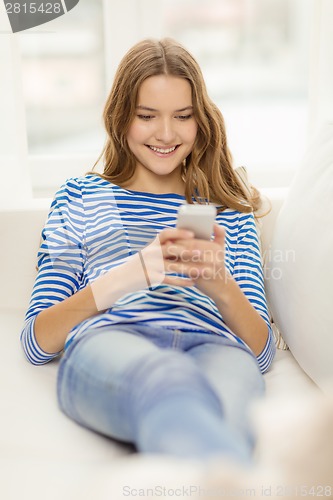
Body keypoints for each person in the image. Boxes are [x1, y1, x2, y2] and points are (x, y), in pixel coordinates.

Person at [20, 38, 275, 464]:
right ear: (121, 118)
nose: (166, 133)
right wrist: (133, 273)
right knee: (170, 380)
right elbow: (36, 340)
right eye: (146, 116)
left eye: (183, 116)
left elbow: (263, 353)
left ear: (200, 121)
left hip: (216, 347)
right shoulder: (80, 196)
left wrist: (221, 287)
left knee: (227, 418)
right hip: (112, 340)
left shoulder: (227, 206)